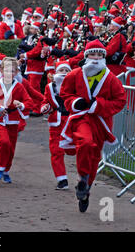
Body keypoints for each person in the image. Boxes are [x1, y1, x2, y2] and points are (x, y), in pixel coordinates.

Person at [59, 39, 126, 212]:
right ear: (86, 56)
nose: (95, 58)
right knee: (85, 142)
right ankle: (82, 178)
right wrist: (75, 102)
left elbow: (120, 101)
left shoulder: (110, 78)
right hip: (81, 119)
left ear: (103, 57)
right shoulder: (74, 74)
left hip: (101, 122)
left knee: (95, 157)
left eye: (99, 54)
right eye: (92, 54)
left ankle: (86, 189)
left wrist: (100, 104)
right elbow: (65, 94)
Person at [0, 57, 31, 183]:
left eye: (12, 71)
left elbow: (28, 101)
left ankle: (6, 171)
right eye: (7, 70)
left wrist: (22, 105)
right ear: (1, 71)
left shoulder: (19, 87)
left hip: (13, 121)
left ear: (17, 72)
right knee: (4, 142)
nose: (9, 73)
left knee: (11, 148)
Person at [40, 61, 75, 190]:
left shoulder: (75, 85)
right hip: (56, 122)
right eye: (62, 70)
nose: (64, 73)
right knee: (56, 151)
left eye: (67, 70)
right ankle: (62, 179)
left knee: (72, 150)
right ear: (55, 73)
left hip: (72, 122)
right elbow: (46, 101)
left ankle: (84, 176)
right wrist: (45, 107)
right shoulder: (49, 87)